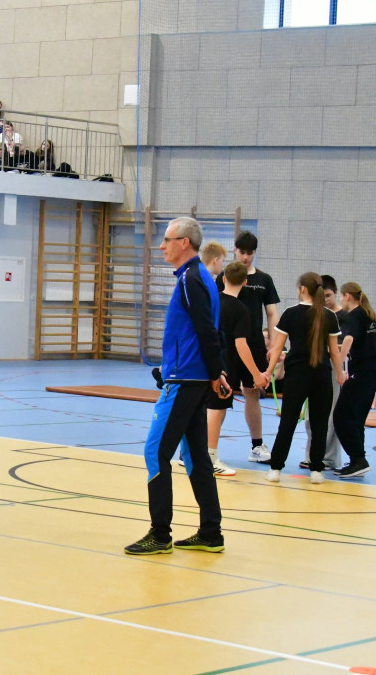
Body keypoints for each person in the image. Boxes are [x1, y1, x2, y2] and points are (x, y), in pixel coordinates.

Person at [124, 217, 227, 556]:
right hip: (191, 377)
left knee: (156, 452)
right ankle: (210, 532)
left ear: (185, 243)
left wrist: (215, 372)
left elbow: (207, 331)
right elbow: (209, 330)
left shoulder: (192, 280)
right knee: (196, 455)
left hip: (186, 380)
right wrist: (215, 372)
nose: (161, 245)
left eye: (167, 240)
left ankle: (159, 533)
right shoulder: (199, 278)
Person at [264, 273, 343, 485]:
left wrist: (268, 372)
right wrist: (341, 374)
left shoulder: (291, 313)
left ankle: (276, 468)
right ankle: (317, 470)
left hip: (297, 376)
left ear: (302, 290)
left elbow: (277, 347)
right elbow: (335, 353)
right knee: (320, 424)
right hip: (322, 376)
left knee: (288, 422)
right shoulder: (329, 316)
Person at [209, 258, 269, 477]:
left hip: (208, 361)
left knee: (210, 408)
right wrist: (257, 374)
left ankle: (195, 453)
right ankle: (210, 458)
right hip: (226, 366)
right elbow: (241, 344)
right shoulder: (242, 310)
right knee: (217, 410)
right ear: (245, 282)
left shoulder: (212, 302)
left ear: (223, 279)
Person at [232, 231, 280, 464]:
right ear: (235, 251)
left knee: (252, 393)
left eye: (250, 253)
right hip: (229, 346)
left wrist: (274, 342)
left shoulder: (264, 280)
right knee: (219, 394)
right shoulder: (225, 276)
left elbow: (271, 313)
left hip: (254, 345)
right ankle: (206, 448)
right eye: (242, 252)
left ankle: (256, 446)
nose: (246, 257)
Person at [331, 282, 376, 478]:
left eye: (341, 297)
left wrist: (339, 360)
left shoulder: (353, 315)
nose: (341, 301)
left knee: (342, 416)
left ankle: (358, 459)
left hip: (362, 372)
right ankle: (357, 461)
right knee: (356, 418)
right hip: (374, 371)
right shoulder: (369, 315)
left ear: (347, 296)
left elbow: (348, 339)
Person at [298, 274, 344, 470]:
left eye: (328, 295)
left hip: (333, 367)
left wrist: (340, 371)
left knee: (331, 414)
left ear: (336, 294)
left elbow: (340, 347)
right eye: (321, 295)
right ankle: (312, 455)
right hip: (313, 366)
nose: (325, 300)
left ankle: (329, 458)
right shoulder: (315, 314)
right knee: (311, 415)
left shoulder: (341, 317)